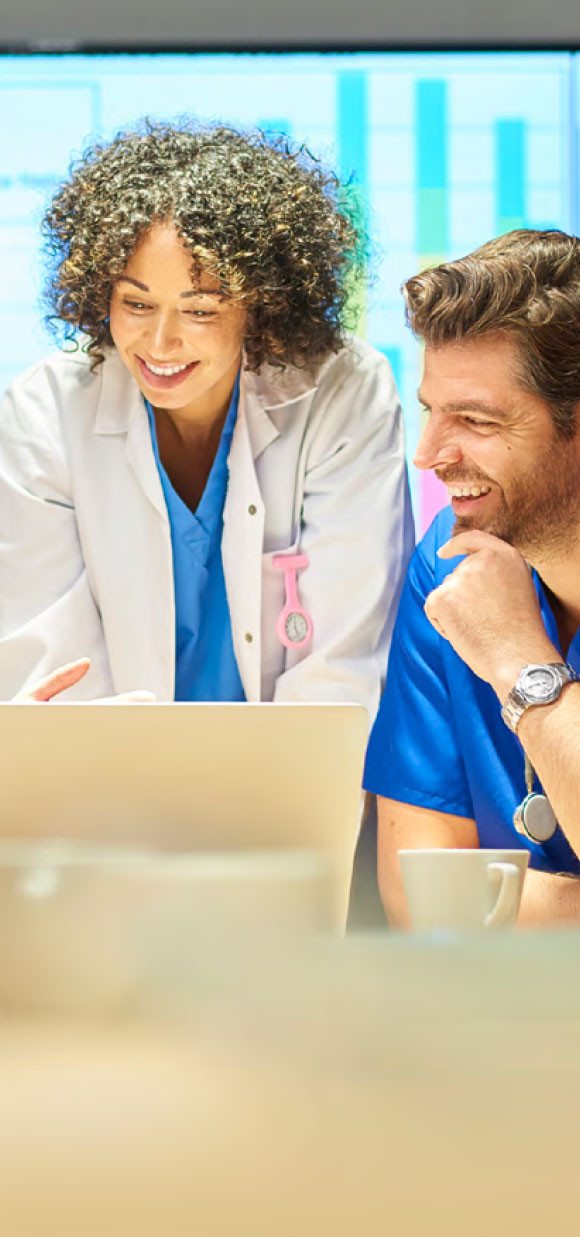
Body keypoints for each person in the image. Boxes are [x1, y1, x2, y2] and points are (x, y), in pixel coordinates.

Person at [0, 121, 413, 715]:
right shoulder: (46, 412)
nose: (160, 342)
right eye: (136, 304)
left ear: (262, 303)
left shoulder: (342, 391)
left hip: (292, 785)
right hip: (107, 790)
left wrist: (287, 800)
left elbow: (338, 672)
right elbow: (59, 681)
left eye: (199, 311)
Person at [364, 228, 580, 927]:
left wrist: (520, 660)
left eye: (476, 420)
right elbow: (418, 902)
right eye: (431, 411)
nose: (429, 455)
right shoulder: (447, 566)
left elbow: (464, 912)